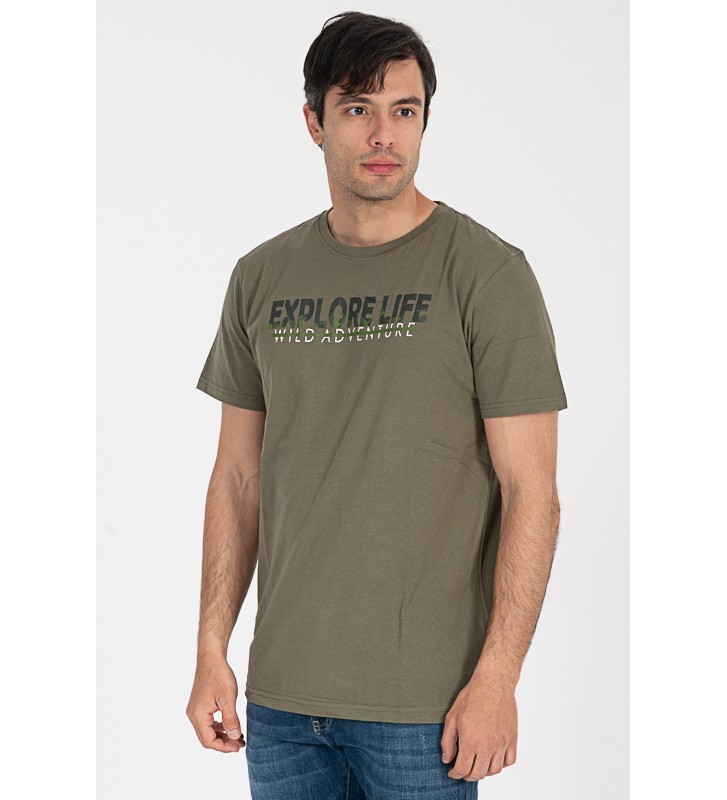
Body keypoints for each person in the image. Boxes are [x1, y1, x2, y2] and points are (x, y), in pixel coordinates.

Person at [186, 10, 568, 798]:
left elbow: (531, 491)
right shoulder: (261, 277)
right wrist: (210, 649)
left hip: (425, 709)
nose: (383, 134)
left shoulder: (486, 274)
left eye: (405, 110)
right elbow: (236, 478)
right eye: (357, 108)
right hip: (282, 704)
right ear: (314, 122)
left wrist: (497, 678)